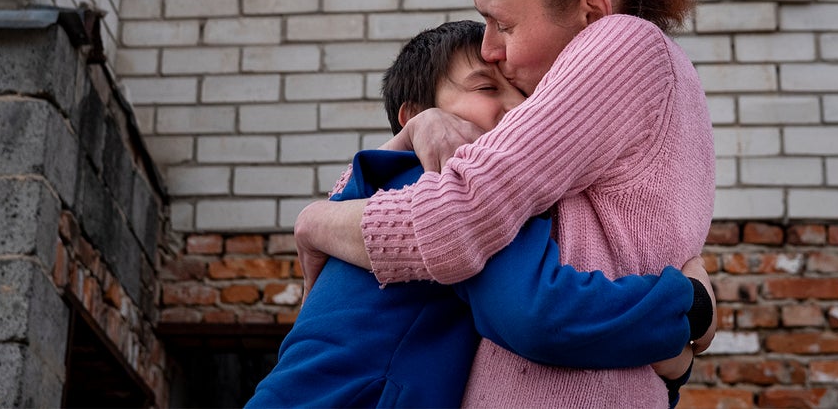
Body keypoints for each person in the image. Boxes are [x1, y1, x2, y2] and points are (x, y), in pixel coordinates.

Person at [294, 0, 718, 407]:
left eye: (503, 24)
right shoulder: (658, 85)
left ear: (592, 12)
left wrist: (317, 221)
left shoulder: (623, 45)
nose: (490, 49)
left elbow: (459, 222)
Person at [246, 20, 713, 409]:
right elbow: (539, 311)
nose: (514, 108)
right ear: (414, 117)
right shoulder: (450, 187)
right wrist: (685, 307)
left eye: (525, 94)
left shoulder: (375, 187)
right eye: (487, 87)